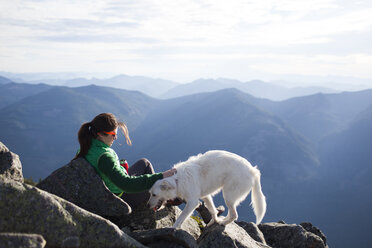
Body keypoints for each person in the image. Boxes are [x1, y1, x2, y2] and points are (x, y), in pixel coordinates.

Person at [73, 112, 176, 208]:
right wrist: (161, 175)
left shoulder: (85, 148)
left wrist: (118, 170)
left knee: (144, 163)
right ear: (100, 134)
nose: (116, 138)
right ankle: (160, 202)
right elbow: (126, 184)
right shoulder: (105, 157)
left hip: (109, 189)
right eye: (113, 134)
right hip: (118, 198)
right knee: (153, 184)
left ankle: (163, 198)